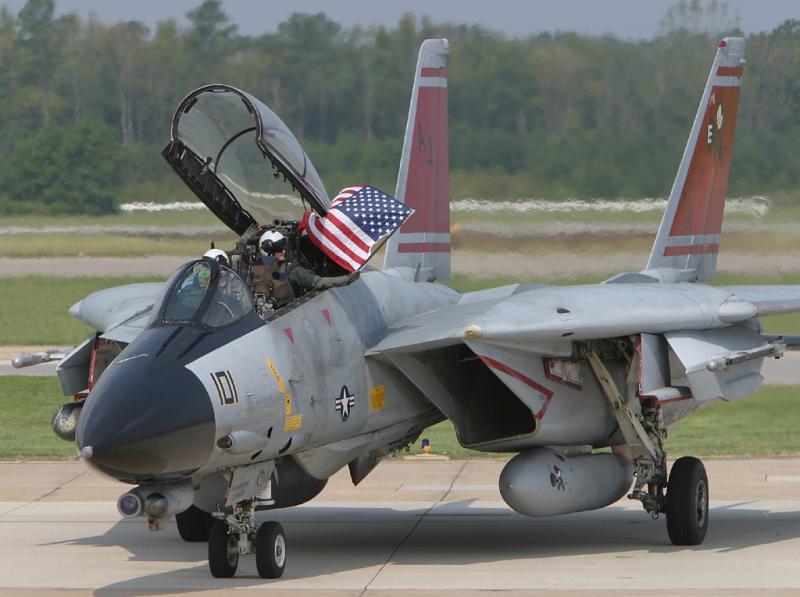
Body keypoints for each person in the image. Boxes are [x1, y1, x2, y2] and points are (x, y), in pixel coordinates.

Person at [259, 229, 358, 301]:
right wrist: (347, 279)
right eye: (278, 249)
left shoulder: (265, 269)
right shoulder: (294, 269)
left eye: (282, 246)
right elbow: (319, 282)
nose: (283, 251)